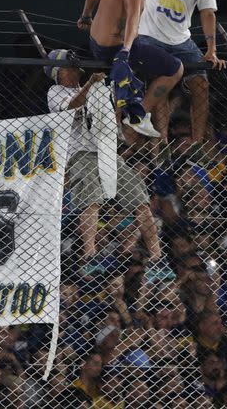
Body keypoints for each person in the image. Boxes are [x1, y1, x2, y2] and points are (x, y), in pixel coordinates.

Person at [46, 49, 161, 270]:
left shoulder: (96, 89)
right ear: (58, 72)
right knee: (90, 195)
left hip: (107, 150)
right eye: (68, 67)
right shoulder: (56, 91)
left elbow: (112, 117)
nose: (74, 70)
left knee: (138, 195)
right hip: (80, 152)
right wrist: (90, 86)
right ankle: (90, 252)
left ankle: (156, 253)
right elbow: (70, 108)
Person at [78, 0, 184, 139]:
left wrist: (86, 15)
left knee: (143, 53)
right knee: (175, 68)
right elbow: (133, 21)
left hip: (96, 43)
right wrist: (125, 51)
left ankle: (118, 117)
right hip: (114, 48)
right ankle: (137, 115)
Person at [137, 0, 227, 144]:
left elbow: (207, 13)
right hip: (150, 36)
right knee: (164, 79)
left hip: (180, 40)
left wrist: (211, 51)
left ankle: (197, 142)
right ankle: (161, 139)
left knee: (201, 85)